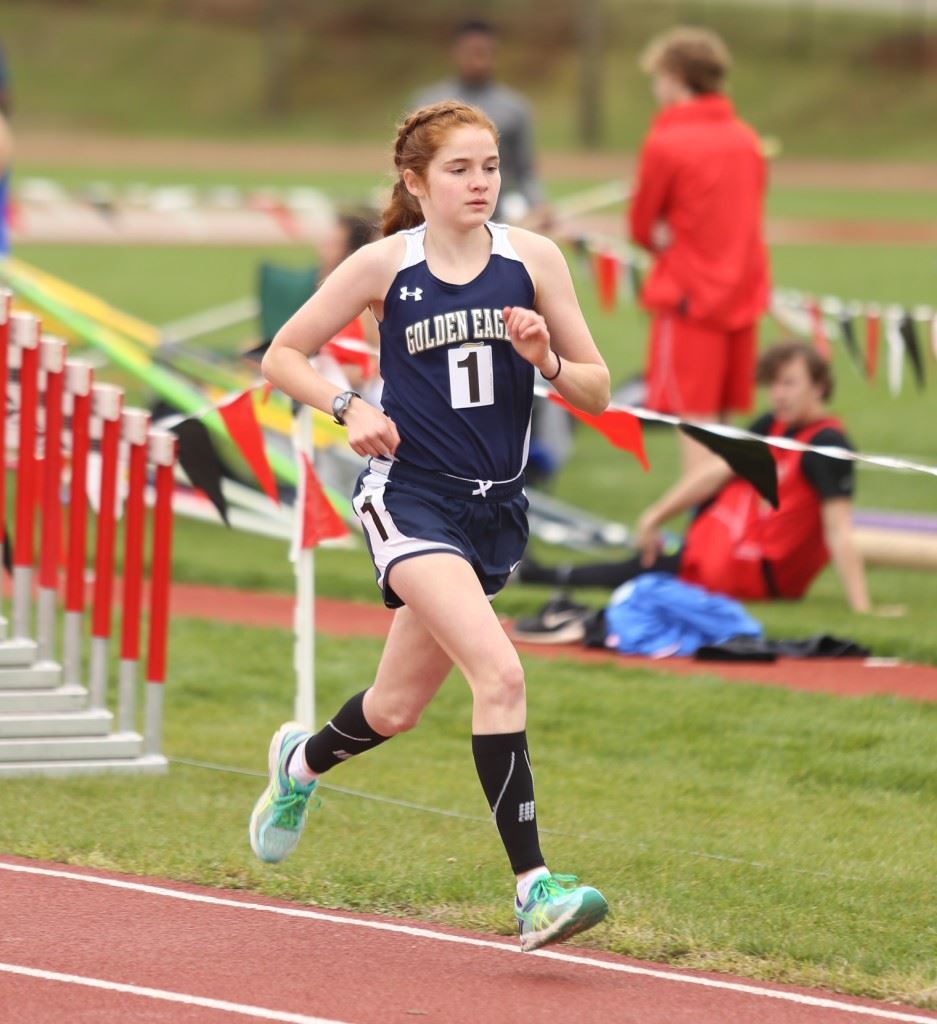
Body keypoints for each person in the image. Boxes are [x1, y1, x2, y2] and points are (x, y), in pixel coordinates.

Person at [250, 101, 611, 952]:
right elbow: (281, 354)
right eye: (459, 169)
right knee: (501, 673)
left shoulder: (534, 259)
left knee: (396, 707)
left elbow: (595, 390)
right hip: (408, 497)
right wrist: (347, 406)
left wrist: (545, 361)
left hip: (496, 509)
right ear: (415, 182)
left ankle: (298, 765)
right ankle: (534, 890)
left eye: (488, 166)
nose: (479, 182)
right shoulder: (384, 264)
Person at [518, 341, 872, 632]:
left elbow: (839, 530)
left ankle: (543, 575)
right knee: (655, 557)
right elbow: (714, 472)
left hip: (756, 573)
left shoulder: (827, 444)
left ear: (820, 386)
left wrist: (861, 608)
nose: (778, 394)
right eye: (773, 384)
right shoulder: (774, 425)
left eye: (789, 383)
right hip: (730, 553)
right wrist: (654, 517)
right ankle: (546, 574)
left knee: (648, 569)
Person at [629, 27, 770, 477]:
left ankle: (701, 542)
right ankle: (722, 533)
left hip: (689, 298)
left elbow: (641, 226)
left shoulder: (666, 141)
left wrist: (665, 236)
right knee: (724, 425)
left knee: (693, 423)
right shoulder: (747, 139)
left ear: (675, 76)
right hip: (743, 295)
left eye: (658, 76)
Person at [411, 19, 547, 228]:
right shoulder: (428, 103)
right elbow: (412, 164)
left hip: (495, 215)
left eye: (485, 52)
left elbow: (525, 170)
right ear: (456, 53)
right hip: (438, 217)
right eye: (472, 52)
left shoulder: (514, 108)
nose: (479, 59)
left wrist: (538, 204)